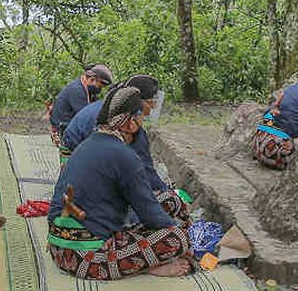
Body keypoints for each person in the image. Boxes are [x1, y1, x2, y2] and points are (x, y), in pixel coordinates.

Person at [47, 86, 192, 280]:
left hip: (59, 246)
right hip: (83, 257)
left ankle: (138, 257)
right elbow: (151, 215)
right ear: (130, 123)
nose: (142, 123)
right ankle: (146, 267)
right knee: (177, 239)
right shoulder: (124, 156)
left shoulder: (88, 143)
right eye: (141, 117)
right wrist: (184, 240)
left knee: (170, 201)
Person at [61, 74, 169, 193]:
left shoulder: (109, 105)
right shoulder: (126, 123)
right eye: (151, 102)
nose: (152, 108)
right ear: (137, 101)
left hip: (70, 155)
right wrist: (164, 190)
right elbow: (144, 167)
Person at [48, 63, 113, 146]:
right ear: (92, 79)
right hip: (64, 130)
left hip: (68, 125)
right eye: (100, 86)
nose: (100, 89)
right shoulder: (77, 91)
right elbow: (87, 118)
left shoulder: (85, 89)